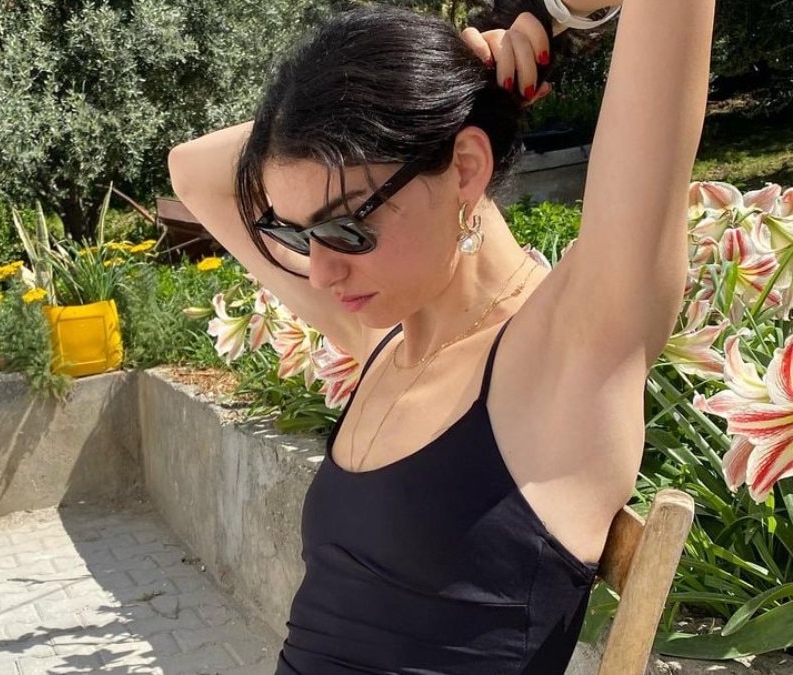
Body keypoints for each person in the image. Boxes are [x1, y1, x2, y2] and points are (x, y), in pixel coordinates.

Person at [167, 0, 715, 672]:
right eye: (298, 233)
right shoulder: (386, 341)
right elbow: (191, 171)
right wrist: (447, 79)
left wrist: (555, 15)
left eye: (346, 227)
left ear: (465, 168)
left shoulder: (566, 359)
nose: (321, 270)